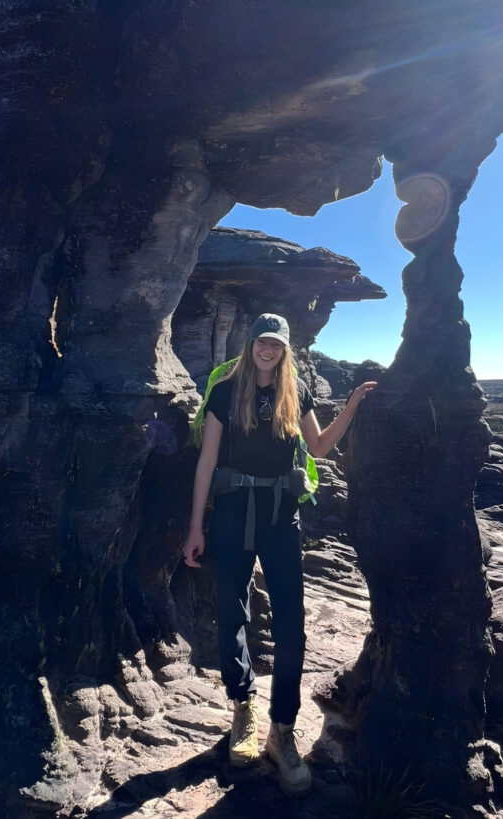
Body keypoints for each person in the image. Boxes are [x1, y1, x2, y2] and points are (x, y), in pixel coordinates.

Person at [182, 313, 376, 795]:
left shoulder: (297, 392)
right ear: (250, 345)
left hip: (280, 517)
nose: (268, 350)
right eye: (261, 342)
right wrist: (194, 526)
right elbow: (207, 459)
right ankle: (243, 708)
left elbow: (319, 447)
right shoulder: (226, 391)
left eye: (276, 344)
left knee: (292, 623)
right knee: (230, 613)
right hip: (231, 515)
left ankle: (281, 731)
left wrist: (351, 406)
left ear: (285, 350)